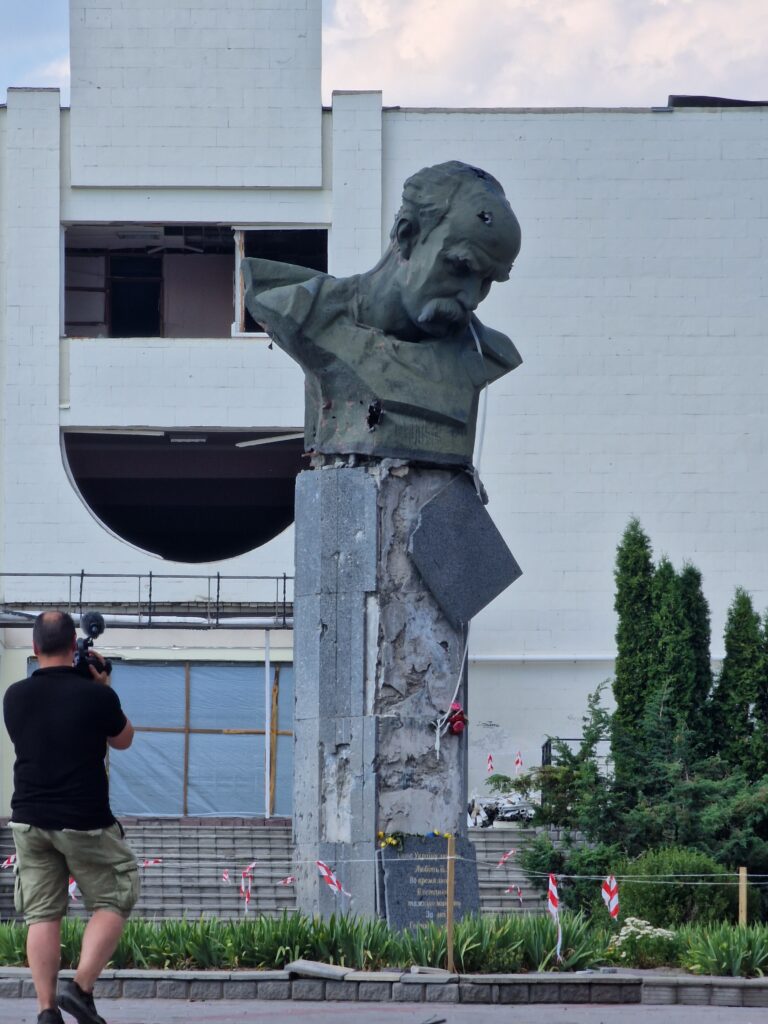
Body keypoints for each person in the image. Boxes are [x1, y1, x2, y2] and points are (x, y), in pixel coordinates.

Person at [243, 160, 523, 468]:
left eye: (487, 282)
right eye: (460, 267)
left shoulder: (487, 354)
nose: (472, 298)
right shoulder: (299, 310)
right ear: (407, 235)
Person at [2, 611, 138, 1024]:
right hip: (84, 820)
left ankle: (46, 1011)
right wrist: (102, 687)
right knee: (116, 894)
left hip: (28, 818)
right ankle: (78, 989)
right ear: (72, 644)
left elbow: (50, 726)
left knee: (42, 913)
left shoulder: (14, 696)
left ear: (35, 648)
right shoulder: (96, 696)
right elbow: (124, 739)